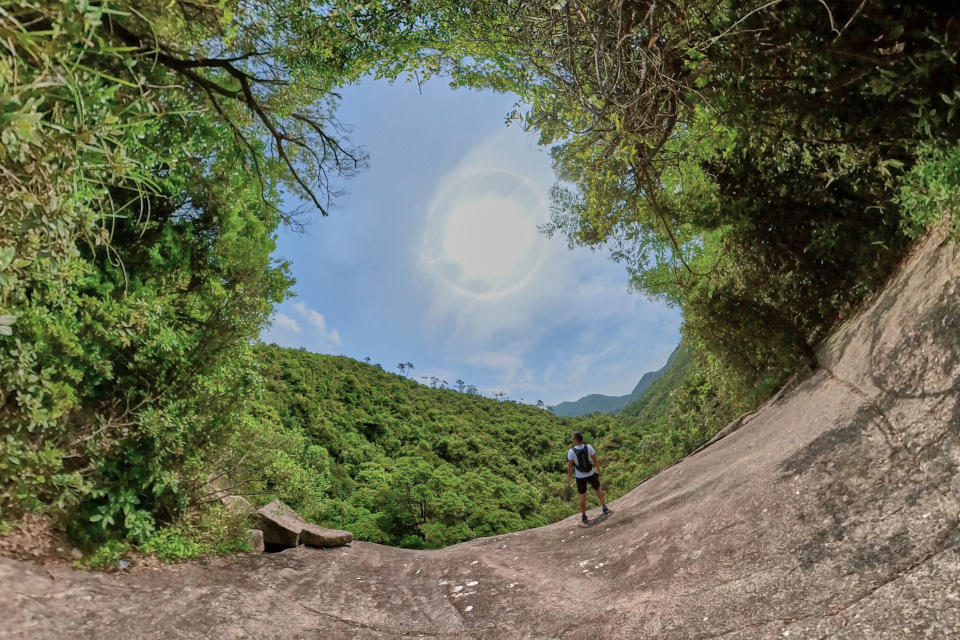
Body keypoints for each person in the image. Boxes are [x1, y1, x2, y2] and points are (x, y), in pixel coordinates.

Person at [566, 431, 611, 523]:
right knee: (598, 489)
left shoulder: (571, 451)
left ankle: (584, 516)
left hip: (580, 476)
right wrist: (598, 470)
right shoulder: (589, 447)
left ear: (575, 440)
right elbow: (595, 460)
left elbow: (570, 466)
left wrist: (569, 477)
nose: (572, 440)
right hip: (591, 473)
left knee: (582, 496)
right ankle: (604, 508)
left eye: (572, 438)